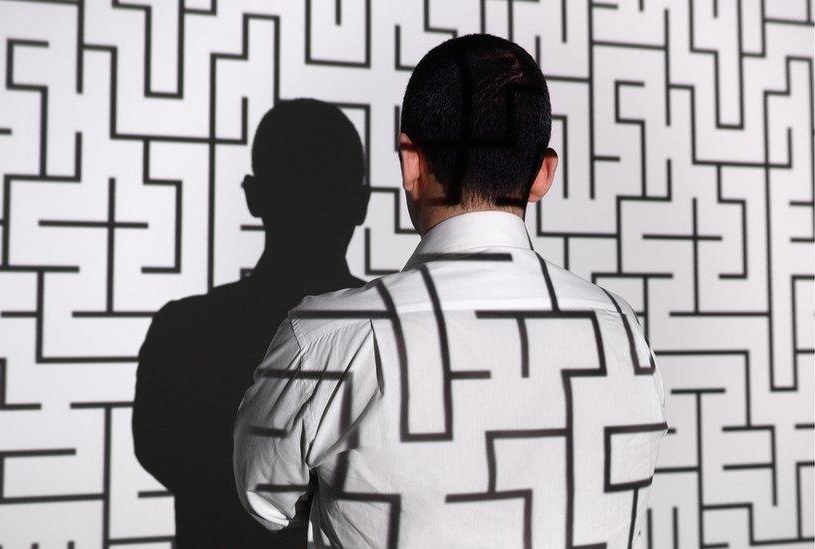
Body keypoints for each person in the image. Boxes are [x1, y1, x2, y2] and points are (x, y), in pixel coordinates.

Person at [232, 33, 668, 548]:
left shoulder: (330, 339)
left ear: (410, 162)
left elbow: (265, 500)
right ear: (544, 174)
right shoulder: (621, 329)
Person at [133, 99, 370, 547]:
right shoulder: (390, 335)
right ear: (360, 204)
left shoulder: (182, 331)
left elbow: (165, 455)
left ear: (254, 195)